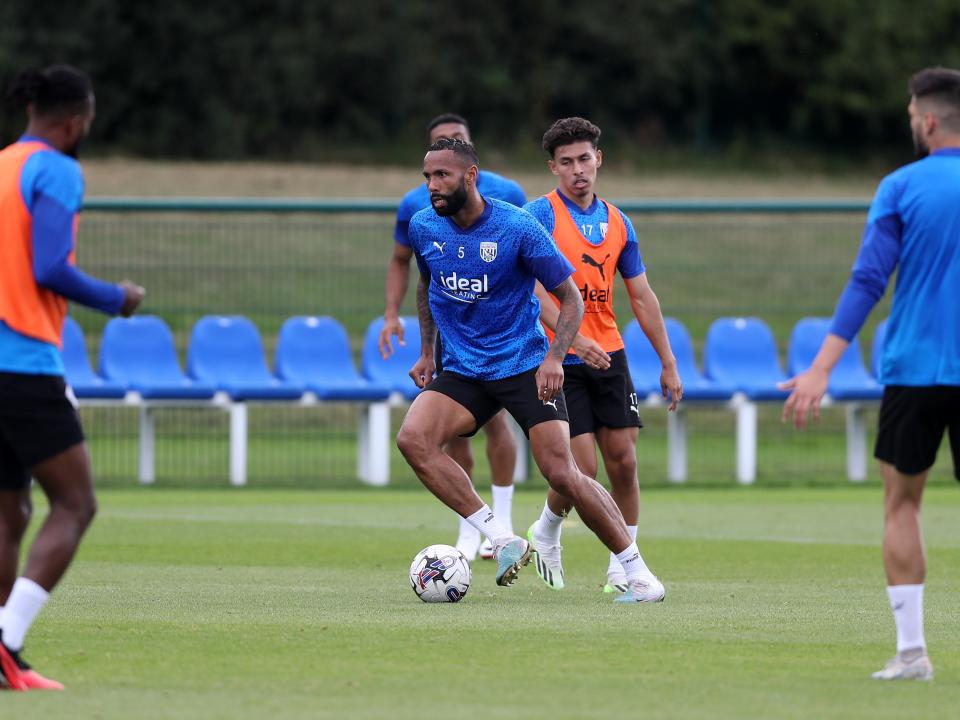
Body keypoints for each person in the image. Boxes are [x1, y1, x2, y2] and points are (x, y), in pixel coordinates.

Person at [396, 137, 663, 602]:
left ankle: (638, 572)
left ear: (470, 176)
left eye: (442, 176)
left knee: (565, 473)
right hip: (464, 369)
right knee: (413, 439)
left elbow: (571, 298)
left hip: (522, 364)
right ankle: (501, 538)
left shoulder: (516, 227)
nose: (432, 186)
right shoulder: (424, 226)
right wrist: (426, 351)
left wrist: (556, 358)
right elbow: (426, 285)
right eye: (427, 177)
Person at [781, 67, 960, 682]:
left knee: (902, 505)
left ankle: (912, 654)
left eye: (913, 114)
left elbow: (867, 283)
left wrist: (819, 369)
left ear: (929, 121)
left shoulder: (901, 186)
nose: (912, 122)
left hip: (915, 370)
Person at [0, 65, 145, 691]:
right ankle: (8, 640)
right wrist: (119, 297)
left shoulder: (3, 163)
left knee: (8, 512)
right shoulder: (57, 168)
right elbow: (50, 267)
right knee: (75, 502)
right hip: (24, 363)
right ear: (76, 120)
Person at [524, 117, 682, 594]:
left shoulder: (619, 222)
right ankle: (548, 529)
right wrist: (573, 341)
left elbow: (642, 297)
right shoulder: (539, 217)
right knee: (582, 469)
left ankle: (621, 570)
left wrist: (668, 362)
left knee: (625, 463)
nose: (578, 170)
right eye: (567, 162)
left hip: (609, 355)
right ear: (553, 167)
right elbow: (533, 291)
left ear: (599, 160)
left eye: (585, 159)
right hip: (559, 357)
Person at [379, 114, 525, 561]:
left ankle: (503, 520)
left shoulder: (510, 195)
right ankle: (471, 526)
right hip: (452, 331)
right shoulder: (416, 207)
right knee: (451, 434)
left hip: (502, 332)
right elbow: (407, 263)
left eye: (455, 144)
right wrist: (392, 314)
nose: (437, 176)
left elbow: (533, 262)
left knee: (499, 422)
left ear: (470, 155)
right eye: (433, 160)